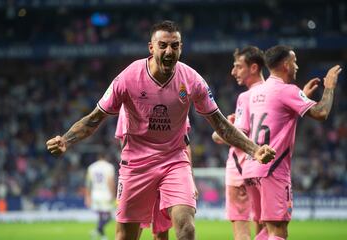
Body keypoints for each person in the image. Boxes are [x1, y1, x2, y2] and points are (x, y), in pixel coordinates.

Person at [46, 20, 275, 240]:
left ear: (180, 48)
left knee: (186, 227)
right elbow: (94, 119)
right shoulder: (128, 77)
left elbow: (221, 124)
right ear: (151, 47)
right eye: (163, 45)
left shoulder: (192, 80)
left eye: (174, 46)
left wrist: (254, 150)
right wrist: (66, 140)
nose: (168, 51)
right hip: (136, 164)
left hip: (174, 161)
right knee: (125, 236)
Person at [242, 45, 342, 240]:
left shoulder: (258, 92)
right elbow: (321, 112)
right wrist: (329, 87)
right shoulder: (287, 91)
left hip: (252, 169)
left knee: (266, 231)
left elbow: (278, 112)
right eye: (294, 62)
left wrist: (302, 96)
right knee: (279, 231)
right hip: (273, 169)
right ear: (286, 65)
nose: (297, 66)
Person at [115, 106, 197, 240]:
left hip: (169, 170)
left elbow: (185, 142)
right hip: (139, 172)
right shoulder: (128, 100)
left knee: (162, 231)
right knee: (129, 230)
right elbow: (123, 140)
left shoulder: (175, 98)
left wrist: (190, 179)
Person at [211, 46, 265, 240]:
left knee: (241, 231)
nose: (233, 72)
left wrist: (219, 132)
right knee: (266, 229)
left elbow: (236, 136)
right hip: (265, 170)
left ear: (254, 68)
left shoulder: (246, 97)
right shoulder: (275, 93)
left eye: (238, 67)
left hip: (240, 170)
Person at [85, 154, 116, 240]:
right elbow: (110, 182)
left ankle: (102, 236)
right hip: (105, 194)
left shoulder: (91, 167)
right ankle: (97, 230)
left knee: (100, 216)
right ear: (106, 158)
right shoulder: (109, 167)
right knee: (109, 216)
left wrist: (87, 196)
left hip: (95, 193)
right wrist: (113, 195)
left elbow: (88, 183)